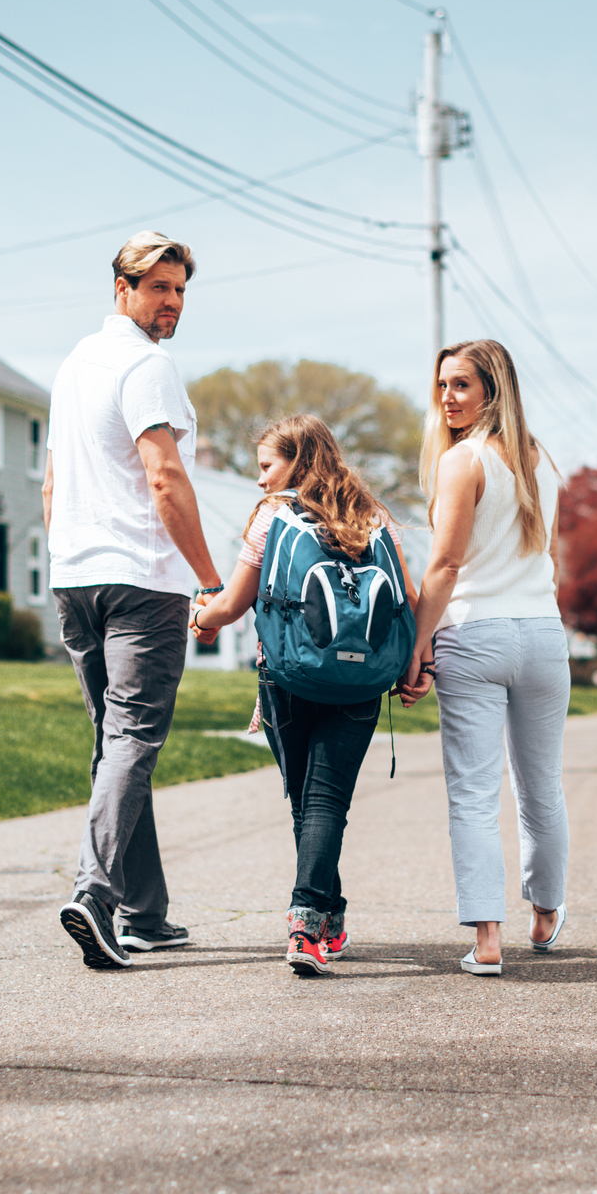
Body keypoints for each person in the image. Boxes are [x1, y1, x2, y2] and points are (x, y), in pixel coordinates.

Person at [43, 231, 226, 970]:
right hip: (141, 581)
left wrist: (66, 558)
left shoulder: (71, 366)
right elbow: (165, 477)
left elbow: (52, 485)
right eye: (159, 288)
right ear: (121, 286)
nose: (173, 303)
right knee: (131, 741)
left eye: (181, 289)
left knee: (114, 745)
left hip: (74, 576)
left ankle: (144, 913)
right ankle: (94, 893)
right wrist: (211, 581)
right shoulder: (147, 365)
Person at [191, 416, 415, 977]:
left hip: (287, 678)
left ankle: (306, 922)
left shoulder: (273, 518)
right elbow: (407, 598)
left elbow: (231, 605)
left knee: (307, 802)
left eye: (267, 465)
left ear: (297, 461)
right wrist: (417, 661)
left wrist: (200, 614)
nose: (261, 479)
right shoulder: (374, 518)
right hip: (362, 681)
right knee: (325, 801)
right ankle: (327, 914)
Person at [399, 339, 570, 976]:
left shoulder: (462, 461)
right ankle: (546, 914)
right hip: (543, 636)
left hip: (475, 634)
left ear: (492, 390)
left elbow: (443, 566)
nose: (446, 397)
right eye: (441, 385)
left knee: (473, 794)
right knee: (541, 787)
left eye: (461, 385)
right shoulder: (540, 460)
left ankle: (489, 941)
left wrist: (417, 647)